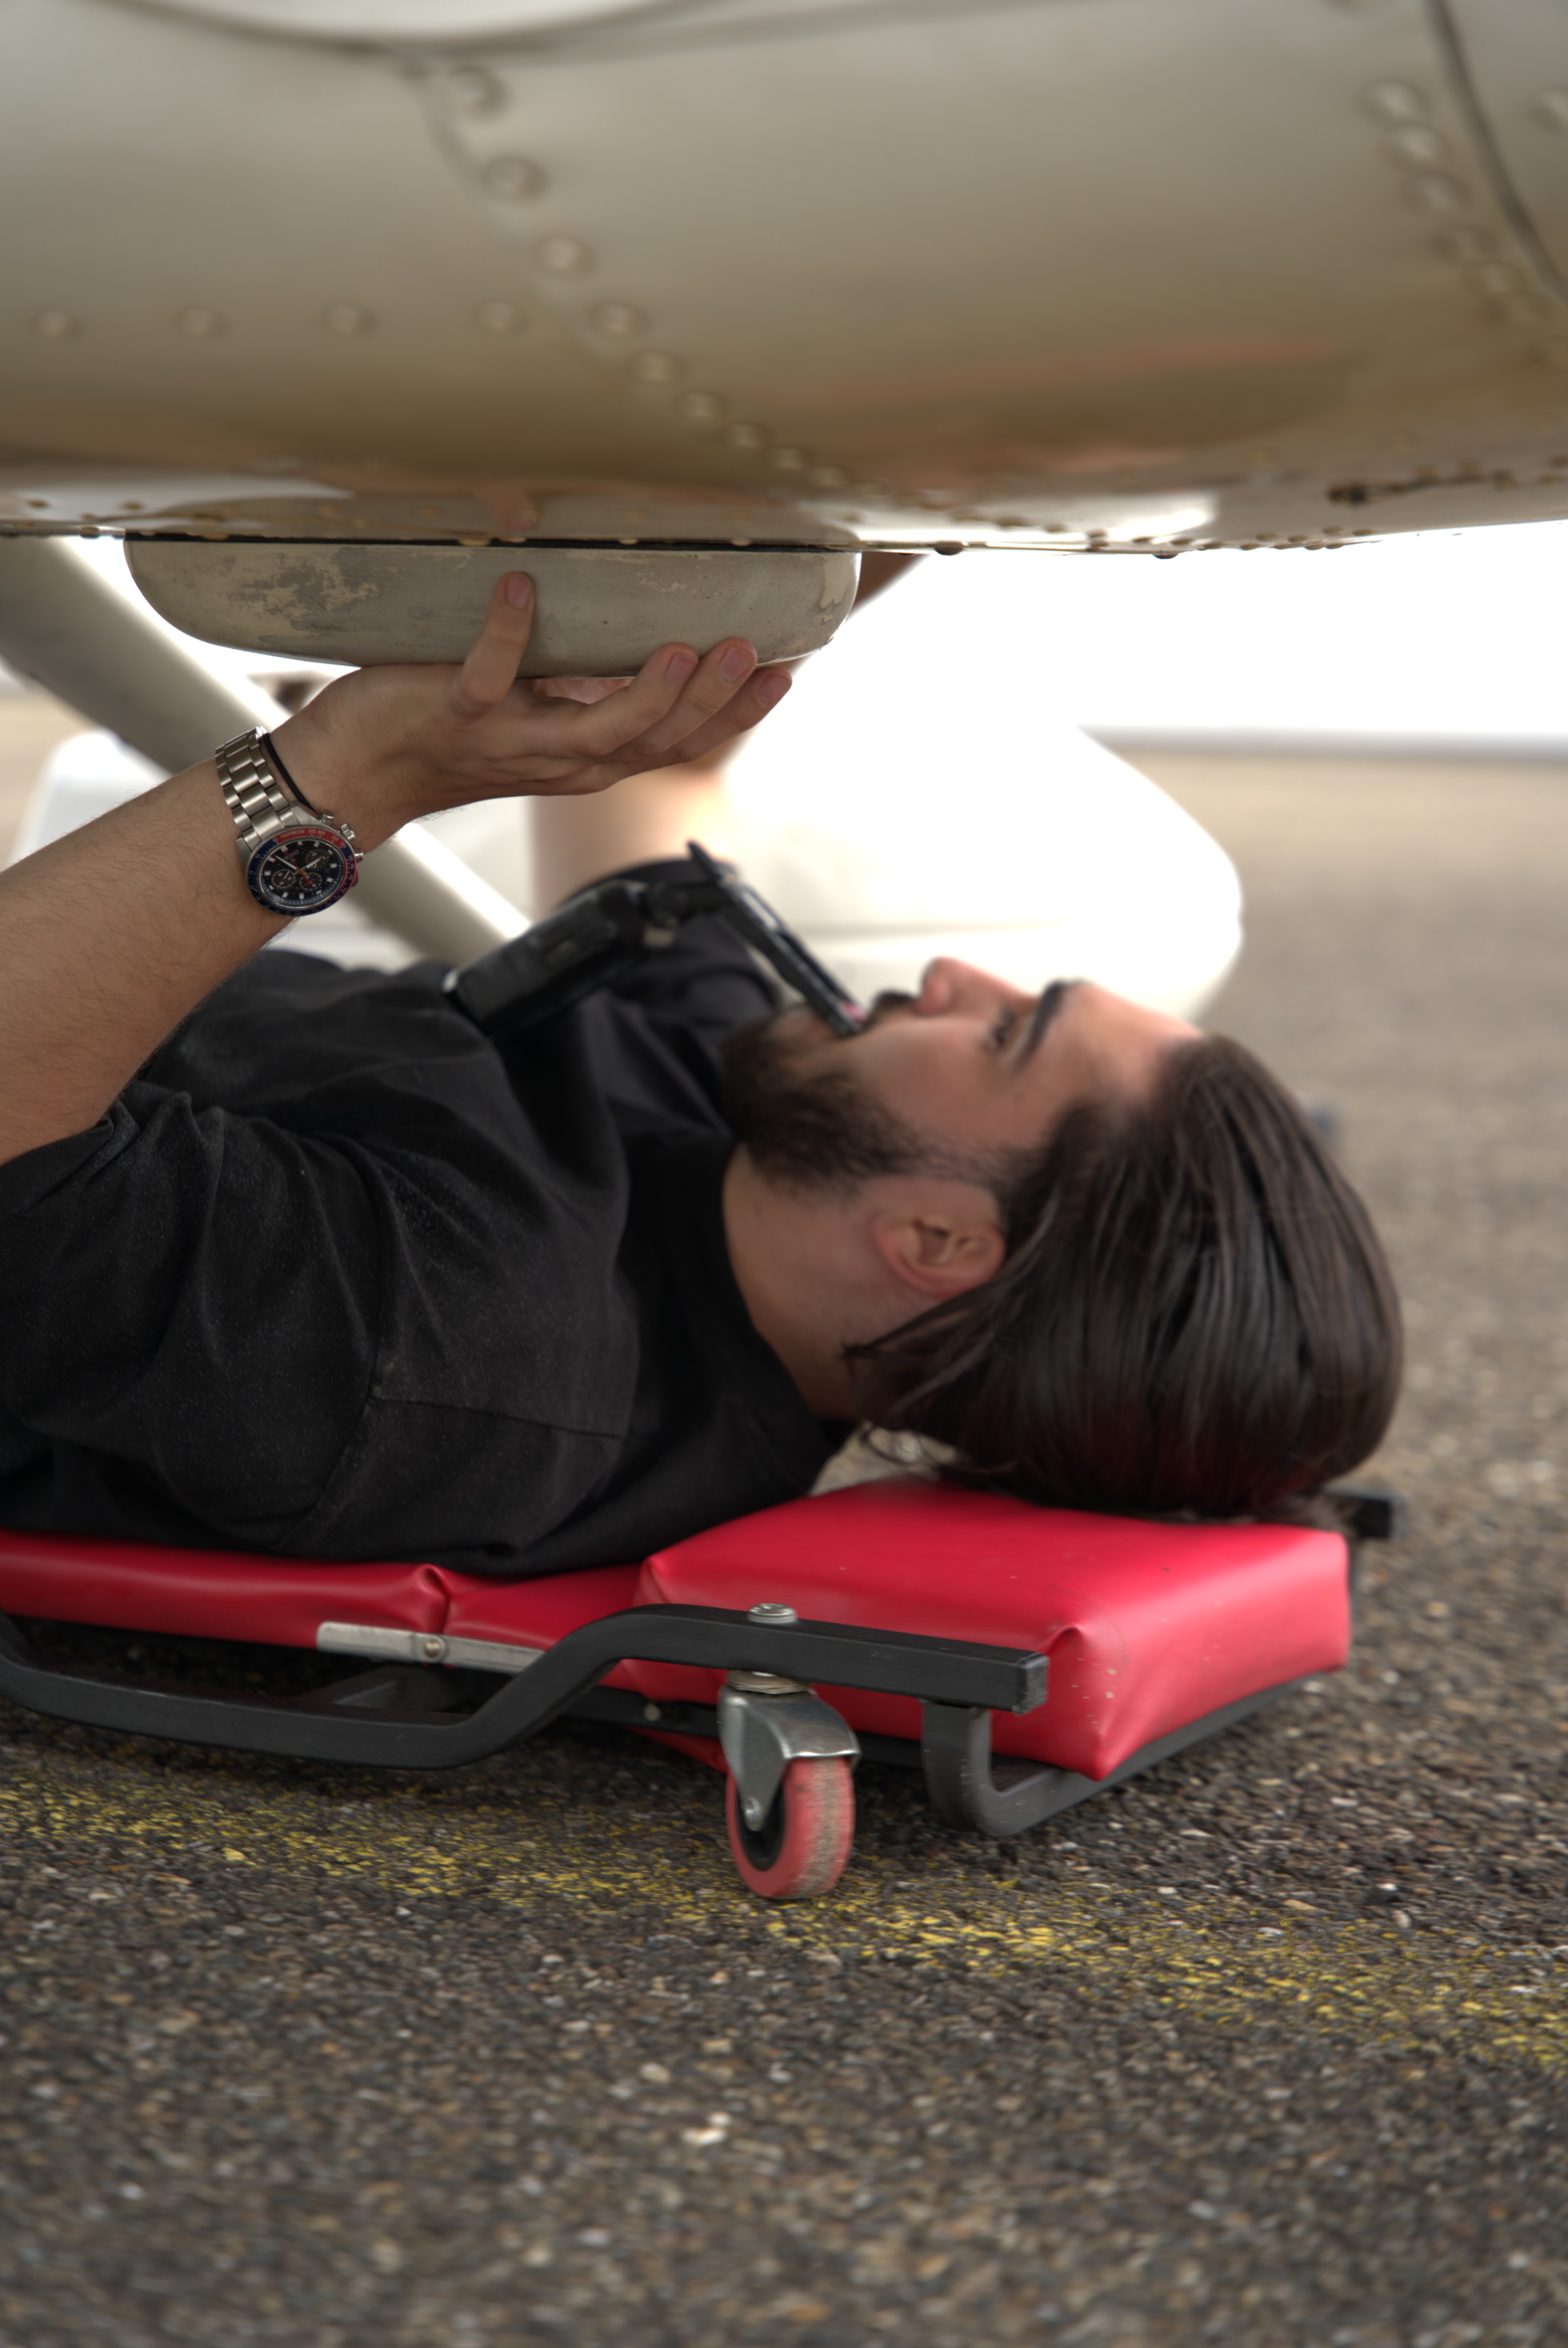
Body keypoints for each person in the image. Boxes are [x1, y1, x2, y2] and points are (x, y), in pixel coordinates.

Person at [0, 576, 1400, 1578]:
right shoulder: (762, 1133)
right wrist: (843, 538)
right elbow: (655, 781)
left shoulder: (457, 1360)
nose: (954, 978)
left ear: (935, 1241)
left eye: (1005, 1036)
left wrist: (343, 773)